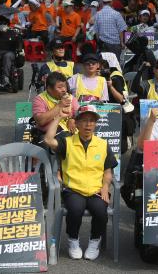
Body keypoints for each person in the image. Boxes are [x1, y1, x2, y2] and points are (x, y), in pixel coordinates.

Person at [44, 105, 117, 260]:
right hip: (73, 189)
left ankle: (94, 241)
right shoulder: (67, 142)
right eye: (84, 121)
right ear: (76, 123)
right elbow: (48, 140)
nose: (88, 125)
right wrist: (57, 117)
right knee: (75, 210)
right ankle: (73, 240)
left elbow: (108, 171)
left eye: (92, 121)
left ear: (96, 124)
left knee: (100, 212)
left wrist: (105, 187)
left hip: (96, 189)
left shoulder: (103, 144)